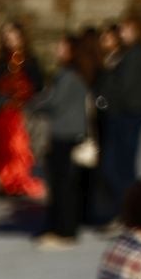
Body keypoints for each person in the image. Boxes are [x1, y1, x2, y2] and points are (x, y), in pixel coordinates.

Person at [34, 32, 98, 249]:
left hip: (66, 135)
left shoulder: (68, 76)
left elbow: (54, 102)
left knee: (64, 187)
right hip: (67, 134)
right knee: (64, 186)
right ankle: (61, 227)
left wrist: (33, 103)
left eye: (61, 47)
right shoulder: (74, 74)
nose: (56, 51)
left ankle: (64, 231)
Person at [0, 22, 47, 200]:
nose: (10, 41)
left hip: (22, 112)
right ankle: (6, 182)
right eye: (7, 37)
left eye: (13, 36)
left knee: (19, 147)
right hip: (3, 112)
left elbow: (38, 84)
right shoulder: (1, 62)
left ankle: (19, 181)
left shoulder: (30, 61)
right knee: (4, 149)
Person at [102, 16, 141, 207]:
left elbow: (123, 88)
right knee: (118, 164)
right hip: (124, 113)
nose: (122, 34)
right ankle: (122, 208)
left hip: (127, 114)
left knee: (120, 165)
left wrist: (105, 102)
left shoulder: (134, 55)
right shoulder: (126, 54)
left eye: (126, 30)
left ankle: (124, 208)